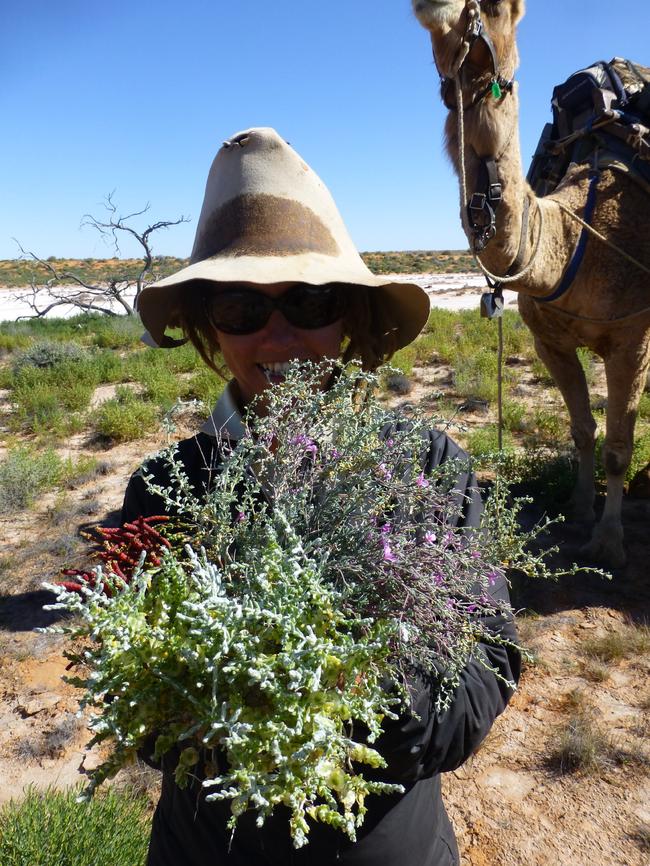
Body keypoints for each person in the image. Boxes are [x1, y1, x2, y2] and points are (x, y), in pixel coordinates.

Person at [122, 127, 520, 866]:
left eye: (310, 301)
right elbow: (147, 719)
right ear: (210, 326)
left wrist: (372, 693)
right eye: (240, 307)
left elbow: (485, 669)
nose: (277, 336)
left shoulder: (427, 469)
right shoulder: (162, 491)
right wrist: (217, 694)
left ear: (351, 319)